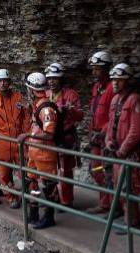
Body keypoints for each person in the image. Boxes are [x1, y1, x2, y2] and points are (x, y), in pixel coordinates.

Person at [102, 63, 140, 232]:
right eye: (113, 80)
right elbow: (111, 123)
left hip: (129, 153)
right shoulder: (115, 100)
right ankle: (128, 220)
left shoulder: (135, 100)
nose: (115, 83)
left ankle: (132, 222)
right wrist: (109, 142)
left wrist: (123, 149)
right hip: (118, 152)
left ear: (127, 81)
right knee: (117, 187)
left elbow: (136, 129)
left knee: (129, 188)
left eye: (119, 80)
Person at [0, 69, 30, 209]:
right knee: (4, 174)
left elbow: (26, 117)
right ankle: (11, 197)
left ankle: (28, 196)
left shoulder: (18, 97)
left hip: (19, 141)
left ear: (9, 82)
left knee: (26, 172)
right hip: (2, 143)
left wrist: (27, 134)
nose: (2, 83)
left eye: (5, 80)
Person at [18, 72, 59, 229]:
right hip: (35, 153)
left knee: (48, 186)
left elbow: (49, 133)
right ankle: (33, 213)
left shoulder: (46, 108)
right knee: (31, 182)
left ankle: (49, 217)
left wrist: (27, 135)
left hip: (45, 154)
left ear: (32, 89)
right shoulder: (37, 105)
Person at [45, 63, 84, 210]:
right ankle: (54, 196)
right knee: (50, 169)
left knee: (65, 170)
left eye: (55, 78)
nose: (51, 81)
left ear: (61, 79)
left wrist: (71, 111)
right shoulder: (46, 94)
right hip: (49, 137)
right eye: (49, 78)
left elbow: (80, 115)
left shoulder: (71, 95)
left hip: (66, 136)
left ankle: (66, 200)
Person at [85, 50, 116, 215]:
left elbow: (113, 116)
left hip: (107, 137)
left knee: (109, 172)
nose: (94, 72)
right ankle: (105, 203)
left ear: (106, 69)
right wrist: (91, 132)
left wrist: (103, 132)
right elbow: (94, 112)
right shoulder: (96, 88)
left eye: (97, 69)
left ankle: (113, 206)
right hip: (96, 136)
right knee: (96, 171)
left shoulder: (112, 88)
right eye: (93, 68)